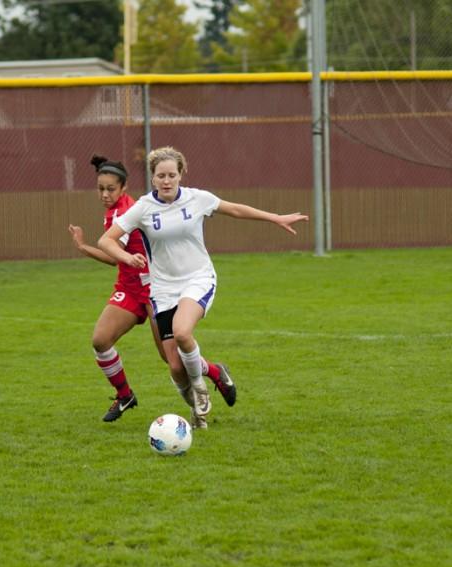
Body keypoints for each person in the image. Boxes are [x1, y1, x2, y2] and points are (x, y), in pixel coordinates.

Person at [98, 146, 307, 429]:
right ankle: (202, 402)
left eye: (172, 174)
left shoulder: (198, 199)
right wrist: (127, 257)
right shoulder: (144, 207)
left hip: (197, 279)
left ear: (181, 175)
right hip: (162, 290)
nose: (167, 181)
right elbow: (106, 241)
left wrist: (276, 218)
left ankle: (200, 388)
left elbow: (235, 209)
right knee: (174, 366)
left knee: (183, 332)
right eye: (161, 176)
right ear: (153, 178)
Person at [68, 154, 234, 423]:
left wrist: (84, 248)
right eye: (100, 189)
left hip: (154, 289)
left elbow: (113, 255)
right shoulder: (114, 212)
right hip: (129, 287)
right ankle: (125, 395)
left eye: (111, 189)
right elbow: (114, 254)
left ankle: (213, 372)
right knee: (100, 340)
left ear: (124, 188)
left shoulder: (133, 210)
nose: (105, 194)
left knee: (174, 363)